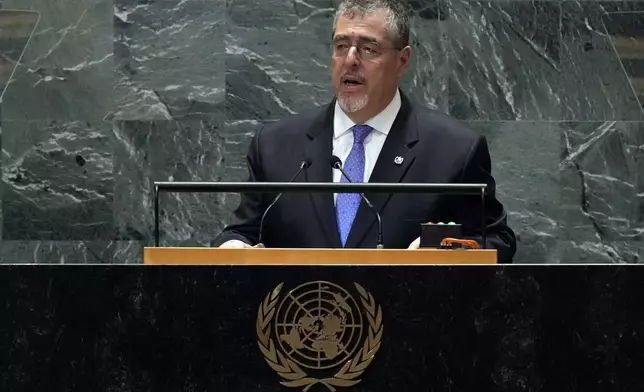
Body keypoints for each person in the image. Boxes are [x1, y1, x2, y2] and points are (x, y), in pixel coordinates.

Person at [213, 0, 517, 262]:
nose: (350, 60)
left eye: (368, 48)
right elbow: (243, 231)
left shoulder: (454, 150)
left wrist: (446, 253)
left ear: (402, 60)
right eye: (341, 45)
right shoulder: (275, 146)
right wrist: (234, 245)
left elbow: (496, 239)